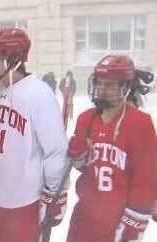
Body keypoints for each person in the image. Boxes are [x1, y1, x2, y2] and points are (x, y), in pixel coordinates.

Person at [0, 27, 69, 242]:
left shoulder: (39, 94)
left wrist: (55, 192)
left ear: (13, 60)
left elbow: (55, 149)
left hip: (23, 199)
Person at [66, 54, 157, 242]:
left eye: (109, 85)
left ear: (124, 87)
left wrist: (133, 224)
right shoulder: (86, 118)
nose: (101, 90)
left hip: (117, 221)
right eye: (99, 83)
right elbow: (83, 166)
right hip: (84, 216)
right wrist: (77, 153)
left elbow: (145, 179)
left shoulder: (140, 123)